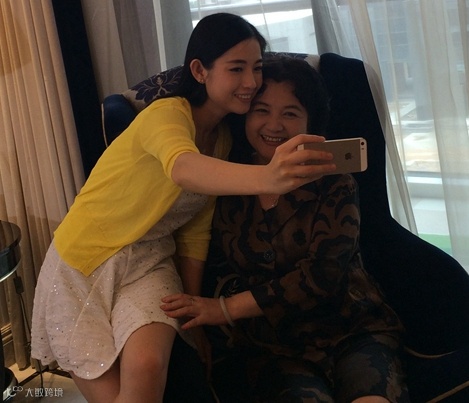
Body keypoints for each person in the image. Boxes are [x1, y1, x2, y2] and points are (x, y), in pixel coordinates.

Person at [30, 14, 337, 403]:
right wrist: (268, 177)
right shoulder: (167, 115)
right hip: (84, 263)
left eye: (256, 68)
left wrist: (195, 322)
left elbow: (195, 232)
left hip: (149, 262)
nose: (251, 82)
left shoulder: (223, 138)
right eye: (236, 68)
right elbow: (182, 168)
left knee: (147, 366)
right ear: (199, 71)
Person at [161, 57, 410, 402]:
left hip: (352, 330)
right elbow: (196, 243)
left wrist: (224, 308)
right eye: (261, 110)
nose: (274, 125)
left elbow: (322, 275)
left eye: (290, 113)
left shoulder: (334, 181)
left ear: (310, 122)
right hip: (272, 347)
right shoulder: (226, 182)